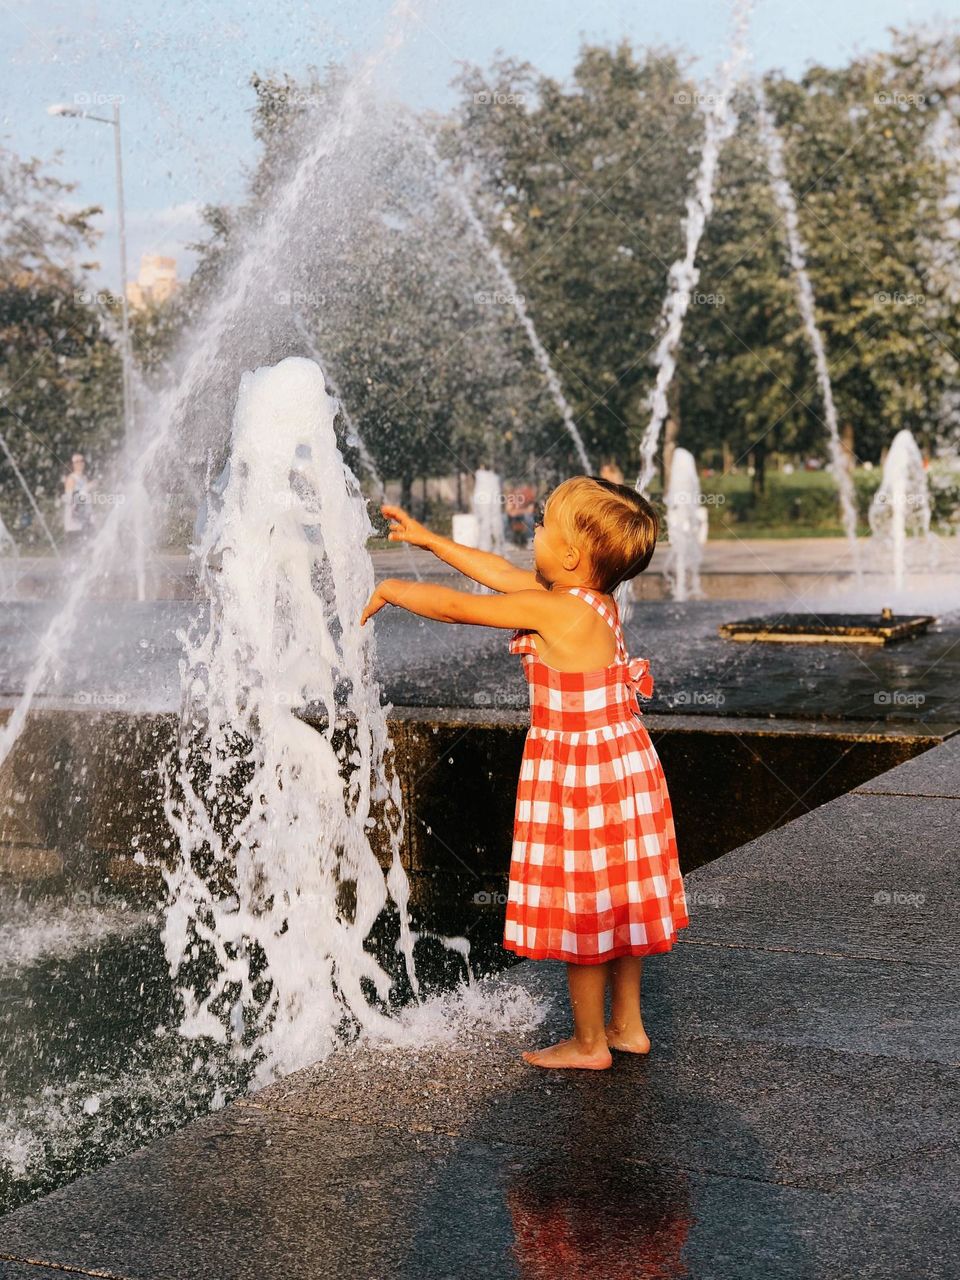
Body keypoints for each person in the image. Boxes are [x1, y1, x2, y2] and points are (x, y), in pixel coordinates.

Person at [361, 475, 688, 1071]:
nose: (530, 531)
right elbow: (495, 573)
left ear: (570, 555)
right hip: (623, 767)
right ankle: (627, 1025)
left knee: (583, 908)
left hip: (579, 775)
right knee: (620, 901)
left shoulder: (552, 608)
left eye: (542, 525)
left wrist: (394, 587)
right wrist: (433, 541)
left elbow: (462, 608)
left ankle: (589, 1044)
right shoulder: (590, 601)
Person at [62, 452, 93, 542]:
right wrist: (86, 489)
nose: (80, 463)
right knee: (75, 553)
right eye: (77, 461)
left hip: (85, 523)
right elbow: (71, 500)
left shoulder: (84, 478)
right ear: (72, 465)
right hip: (74, 525)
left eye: (82, 461)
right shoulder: (71, 479)